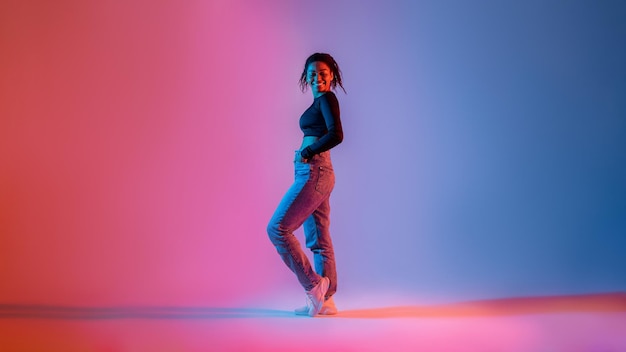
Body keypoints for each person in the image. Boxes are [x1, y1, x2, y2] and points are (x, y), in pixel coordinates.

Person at [267, 53, 345, 317]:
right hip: (315, 170)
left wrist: (309, 150)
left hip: (315, 170)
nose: (317, 77)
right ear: (306, 77)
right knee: (319, 239)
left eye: (323, 73)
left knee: (278, 228)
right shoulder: (319, 102)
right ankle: (325, 302)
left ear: (331, 75)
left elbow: (336, 134)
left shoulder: (327, 99)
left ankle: (315, 287)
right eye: (312, 73)